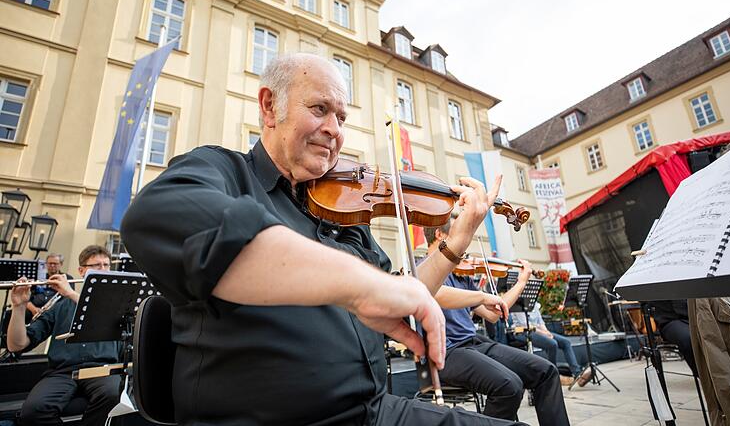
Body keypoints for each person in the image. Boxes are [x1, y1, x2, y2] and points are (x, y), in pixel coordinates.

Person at [120, 53, 524, 425]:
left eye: (342, 118)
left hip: (374, 411)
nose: (334, 130)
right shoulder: (223, 171)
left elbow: (401, 296)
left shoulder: (346, 209)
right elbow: (156, 216)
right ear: (269, 106)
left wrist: (457, 238)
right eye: (319, 109)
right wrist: (360, 285)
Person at [423, 220, 570, 424]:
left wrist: (521, 283)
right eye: (460, 233)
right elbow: (435, 293)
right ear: (440, 235)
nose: (465, 242)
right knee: (510, 386)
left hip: (476, 343)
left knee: (546, 371)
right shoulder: (421, 270)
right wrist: (481, 296)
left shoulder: (461, 273)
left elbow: (494, 314)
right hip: (446, 353)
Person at [7, 245, 121, 426]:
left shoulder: (118, 303)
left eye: (106, 265)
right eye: (97, 266)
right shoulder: (60, 305)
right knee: (32, 411)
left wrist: (70, 292)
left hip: (103, 370)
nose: (104, 270)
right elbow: (17, 345)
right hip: (62, 372)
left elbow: (104, 314)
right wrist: (19, 307)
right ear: (82, 271)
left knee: (114, 394)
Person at [509, 302, 592, 386]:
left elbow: (540, 322)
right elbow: (526, 324)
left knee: (565, 342)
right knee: (552, 344)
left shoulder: (534, 304)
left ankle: (577, 373)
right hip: (522, 332)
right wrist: (544, 334)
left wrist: (547, 332)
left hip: (539, 331)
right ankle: (553, 375)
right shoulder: (518, 305)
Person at [24, 253, 74, 323]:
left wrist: (51, 310)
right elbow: (27, 297)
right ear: (46, 264)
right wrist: (33, 309)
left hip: (55, 311)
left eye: (55, 264)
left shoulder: (67, 278)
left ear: (61, 264)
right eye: (50, 263)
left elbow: (68, 300)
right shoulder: (38, 277)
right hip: (34, 309)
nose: (52, 266)